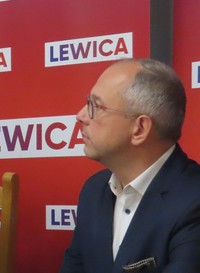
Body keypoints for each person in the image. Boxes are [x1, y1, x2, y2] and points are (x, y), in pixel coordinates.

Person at [60, 59, 200, 273]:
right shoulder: (93, 191)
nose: (80, 116)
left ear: (139, 128)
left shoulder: (193, 202)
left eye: (95, 106)